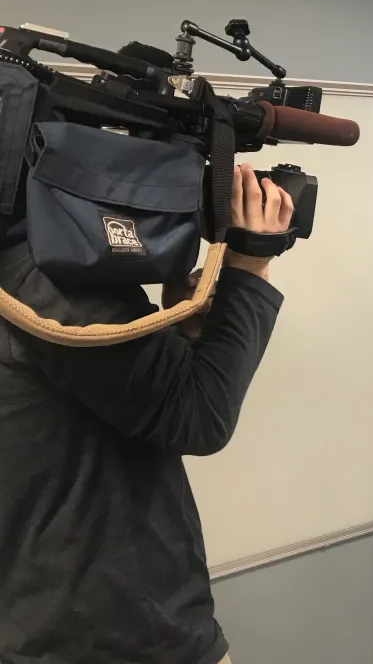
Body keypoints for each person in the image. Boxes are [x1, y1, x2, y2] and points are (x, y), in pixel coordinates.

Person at [0, 163, 293, 664]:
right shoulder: (43, 275)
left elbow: (68, 408)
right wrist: (250, 264)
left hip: (34, 621)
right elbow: (200, 416)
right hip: (124, 632)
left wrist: (176, 335)